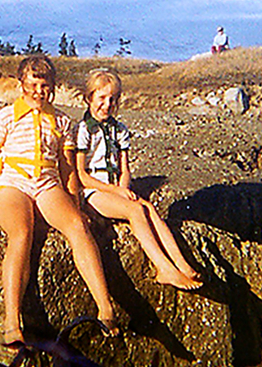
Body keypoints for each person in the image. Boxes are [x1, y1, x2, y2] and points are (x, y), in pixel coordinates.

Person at [0, 53, 121, 344]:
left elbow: (67, 166)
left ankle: (106, 307)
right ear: (21, 84)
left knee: (78, 227)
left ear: (53, 86)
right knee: (21, 232)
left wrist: (75, 202)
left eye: (45, 86)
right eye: (33, 84)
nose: (39, 92)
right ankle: (11, 321)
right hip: (11, 183)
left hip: (47, 183)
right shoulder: (5, 116)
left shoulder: (63, 121)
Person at [72, 69, 203, 290]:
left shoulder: (120, 130)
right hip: (93, 192)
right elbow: (81, 176)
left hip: (115, 190)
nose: (107, 104)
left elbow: (125, 169)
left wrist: (123, 189)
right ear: (89, 98)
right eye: (101, 98)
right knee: (135, 211)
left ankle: (182, 264)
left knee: (148, 208)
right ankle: (164, 268)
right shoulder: (83, 130)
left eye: (112, 99)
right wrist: (117, 194)